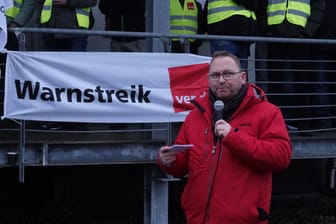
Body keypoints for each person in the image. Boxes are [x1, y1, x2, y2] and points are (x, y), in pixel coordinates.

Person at [157, 51, 292, 223]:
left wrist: (233, 137)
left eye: (228, 74)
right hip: (198, 219)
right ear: (208, 79)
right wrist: (168, 160)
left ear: (243, 77)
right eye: (215, 75)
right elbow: (182, 166)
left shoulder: (267, 112)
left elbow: (280, 157)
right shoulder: (195, 116)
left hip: (244, 219)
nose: (221, 80)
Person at [265, 0, 325, 131]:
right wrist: (267, 29)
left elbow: (318, 7)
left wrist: (307, 32)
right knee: (275, 82)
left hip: (300, 36)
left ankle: (304, 125)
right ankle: (274, 125)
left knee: (302, 82)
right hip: (275, 34)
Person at [204, 0, 260, 69]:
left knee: (237, 74)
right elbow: (253, 4)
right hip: (225, 32)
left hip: (238, 33)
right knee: (225, 72)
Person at [309, 0, 334, 130]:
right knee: (320, 84)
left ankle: (324, 121)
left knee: (321, 84)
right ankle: (323, 122)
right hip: (320, 44)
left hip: (321, 43)